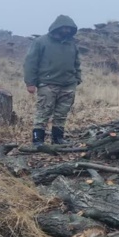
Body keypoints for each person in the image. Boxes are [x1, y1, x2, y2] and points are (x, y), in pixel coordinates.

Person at [24, 15, 82, 145]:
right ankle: (37, 140)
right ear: (57, 27)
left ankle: (58, 138)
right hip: (47, 83)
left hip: (68, 84)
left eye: (69, 28)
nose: (66, 30)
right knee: (43, 112)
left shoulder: (71, 43)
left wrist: (77, 78)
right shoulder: (41, 42)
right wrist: (30, 83)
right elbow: (30, 63)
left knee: (62, 113)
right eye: (64, 27)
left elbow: (76, 62)